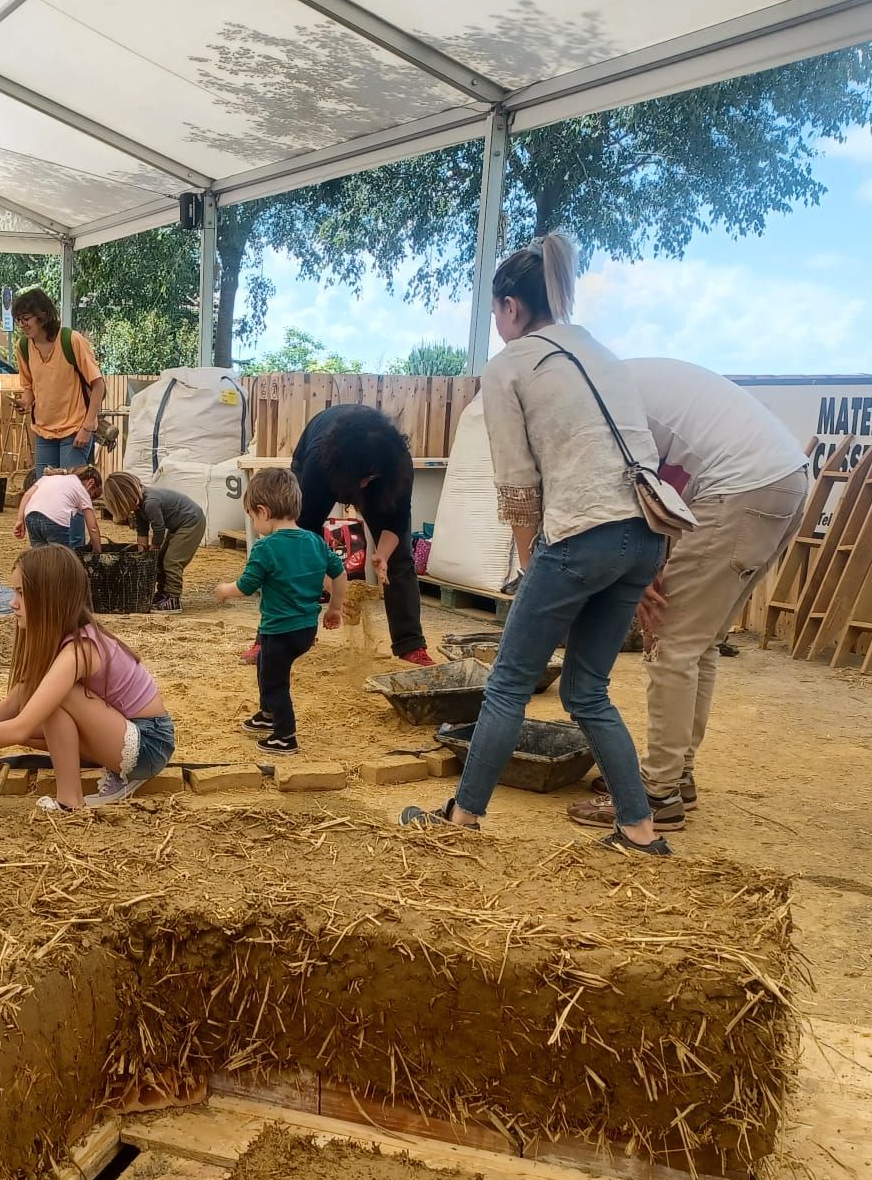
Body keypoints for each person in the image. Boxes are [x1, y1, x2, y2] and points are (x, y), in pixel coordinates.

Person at [402, 231, 671, 856]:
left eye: (495, 311)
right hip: (645, 535)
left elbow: (518, 487)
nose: (497, 322)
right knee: (586, 691)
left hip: (582, 534)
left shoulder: (509, 367)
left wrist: (531, 568)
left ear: (510, 306)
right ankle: (639, 830)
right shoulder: (600, 351)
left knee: (506, 686)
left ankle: (460, 824)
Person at [564, 358, 810, 831]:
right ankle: (677, 775)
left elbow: (629, 499)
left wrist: (634, 575)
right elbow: (662, 491)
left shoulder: (601, 401)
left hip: (741, 488)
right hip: (781, 480)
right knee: (700, 643)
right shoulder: (624, 379)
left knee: (670, 643)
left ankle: (656, 797)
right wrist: (651, 564)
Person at [0, 545, 175, 811]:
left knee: (54, 702)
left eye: (21, 593)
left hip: (149, 743)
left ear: (49, 597)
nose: (13, 603)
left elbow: (19, 725)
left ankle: (70, 802)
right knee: (30, 719)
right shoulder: (62, 641)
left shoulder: (79, 650)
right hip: (124, 734)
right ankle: (110, 774)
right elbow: (13, 703)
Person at [286, 404, 434, 666]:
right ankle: (282, 636)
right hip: (325, 463)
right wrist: (329, 580)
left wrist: (383, 556)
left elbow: (397, 521)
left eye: (370, 477)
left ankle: (410, 644)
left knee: (401, 560)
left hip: (372, 472)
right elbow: (302, 532)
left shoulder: (396, 464)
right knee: (290, 553)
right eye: (360, 480)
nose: (363, 487)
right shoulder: (319, 465)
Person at [214, 467, 345, 755]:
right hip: (306, 630)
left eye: (251, 516)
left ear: (264, 511)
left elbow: (247, 586)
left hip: (279, 631)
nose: (253, 523)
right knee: (265, 667)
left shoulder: (266, 547)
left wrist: (225, 589)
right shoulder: (315, 540)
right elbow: (339, 572)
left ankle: (285, 736)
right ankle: (267, 714)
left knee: (276, 682)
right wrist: (335, 608)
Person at [14, 288, 104, 485]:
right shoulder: (23, 347)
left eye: (26, 318)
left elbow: (98, 385)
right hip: (43, 431)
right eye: (18, 319)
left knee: (70, 493)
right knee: (46, 492)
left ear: (42, 316)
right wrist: (25, 402)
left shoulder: (71, 340)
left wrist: (88, 427)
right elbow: (29, 386)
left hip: (75, 430)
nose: (22, 325)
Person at [103, 472, 206, 611]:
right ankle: (163, 593)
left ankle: (173, 598)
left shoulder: (151, 502)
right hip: (178, 525)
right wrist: (142, 554)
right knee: (161, 559)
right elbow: (142, 530)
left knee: (172, 561)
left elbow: (159, 530)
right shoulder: (139, 507)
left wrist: (153, 549)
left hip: (191, 522)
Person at [16, 466, 104, 553]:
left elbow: (27, 495)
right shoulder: (81, 489)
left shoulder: (49, 478)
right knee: (62, 559)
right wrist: (97, 551)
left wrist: (20, 520)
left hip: (31, 517)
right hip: (55, 520)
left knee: (40, 557)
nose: (90, 499)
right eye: (93, 495)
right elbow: (93, 527)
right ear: (91, 482)